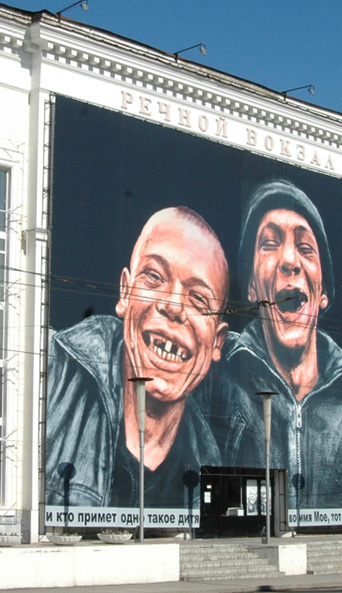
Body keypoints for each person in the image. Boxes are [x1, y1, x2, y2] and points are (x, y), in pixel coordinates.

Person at [224, 177, 342, 516]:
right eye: (269, 244)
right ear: (252, 287)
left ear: (323, 292)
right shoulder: (219, 382)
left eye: (305, 248)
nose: (290, 260)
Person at [46, 207, 231, 509]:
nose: (173, 307)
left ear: (217, 342)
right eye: (155, 276)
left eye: (199, 299)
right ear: (124, 292)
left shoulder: (210, 461)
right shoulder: (53, 373)